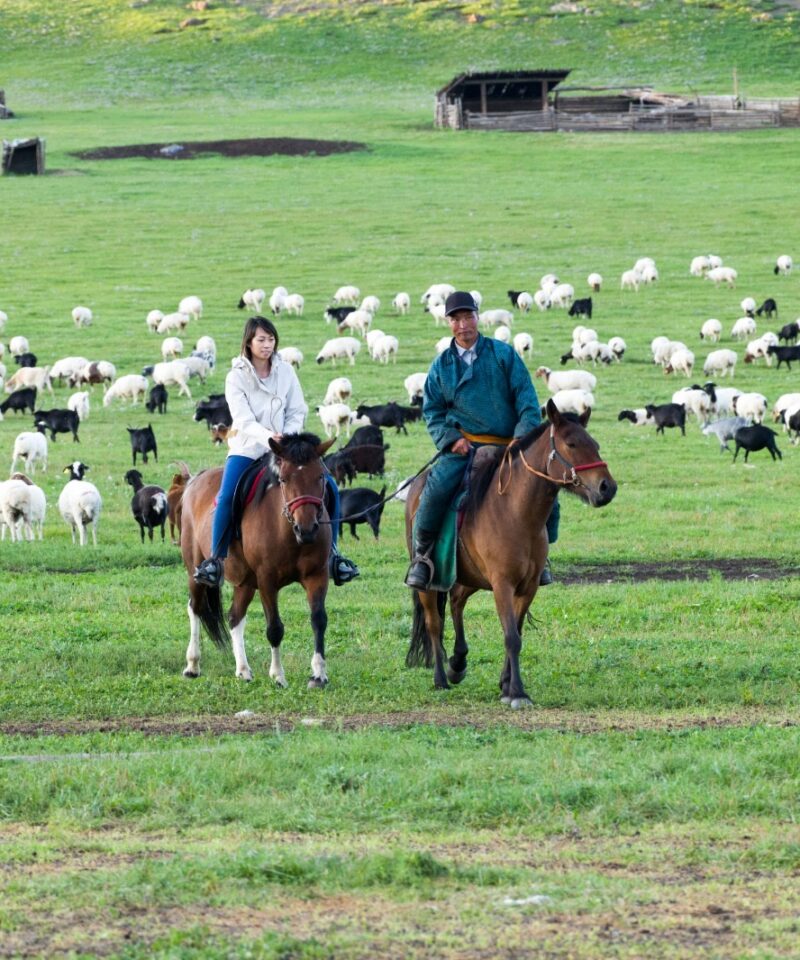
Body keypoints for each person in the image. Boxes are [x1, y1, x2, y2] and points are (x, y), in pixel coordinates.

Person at [405, 291, 559, 590]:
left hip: (510, 446)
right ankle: (422, 557)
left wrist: (521, 437)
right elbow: (433, 411)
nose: (463, 324)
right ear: (448, 322)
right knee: (434, 492)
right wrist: (451, 440)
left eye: (468, 316)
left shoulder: (503, 355)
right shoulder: (441, 367)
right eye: (456, 319)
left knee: (548, 490)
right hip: (465, 447)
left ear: (478, 317)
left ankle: (541, 557)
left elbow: (527, 400)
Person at [193, 315, 359, 587]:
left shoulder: (286, 371)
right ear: (248, 342)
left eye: (271, 339)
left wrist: (289, 438)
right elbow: (243, 419)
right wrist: (270, 436)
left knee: (328, 484)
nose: (267, 345)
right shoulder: (236, 376)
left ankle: (334, 555)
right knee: (226, 496)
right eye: (261, 339)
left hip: (287, 448)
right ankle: (215, 560)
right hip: (248, 446)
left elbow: (297, 409)